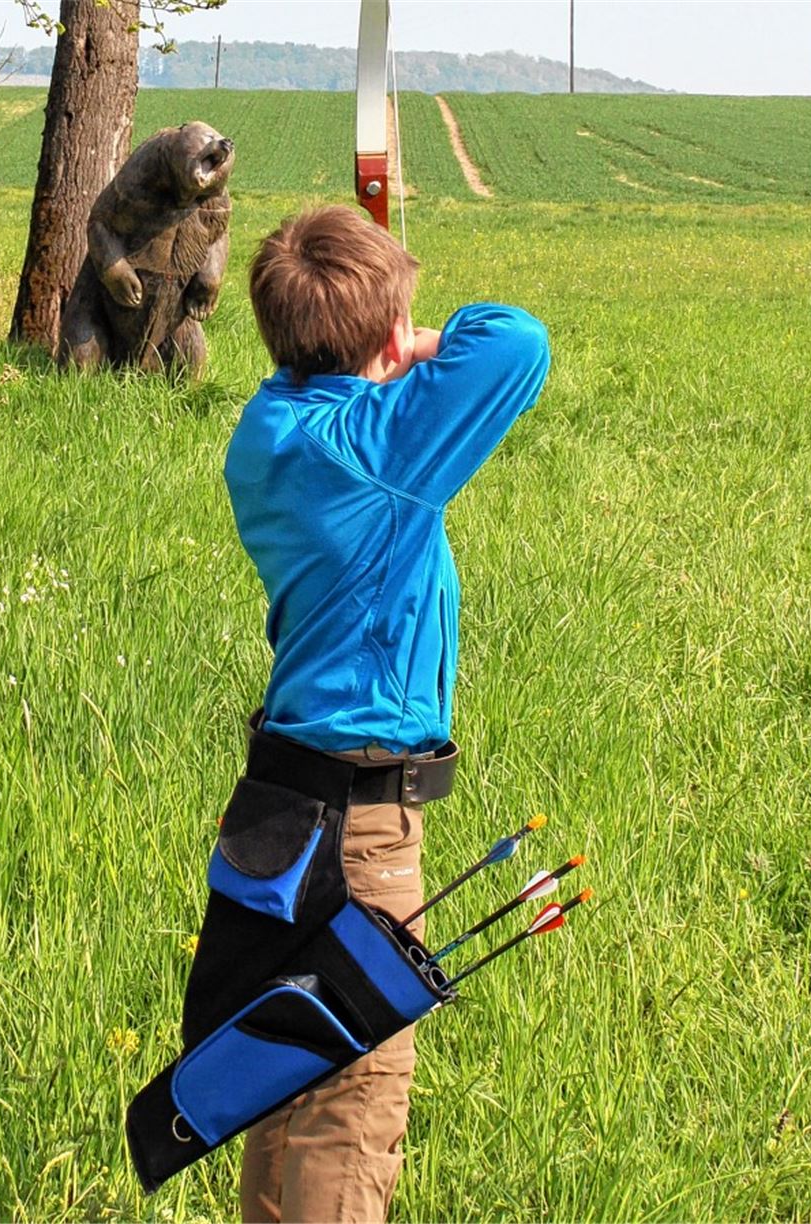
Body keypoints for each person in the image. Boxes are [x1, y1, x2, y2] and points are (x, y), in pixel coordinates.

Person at [223, 205, 550, 1224]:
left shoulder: (268, 428)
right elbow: (516, 340)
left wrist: (371, 340)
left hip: (276, 806)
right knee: (351, 1097)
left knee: (283, 1078)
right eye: (394, 327)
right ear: (376, 341)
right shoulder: (379, 450)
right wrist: (410, 341)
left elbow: (333, 388)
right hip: (358, 827)